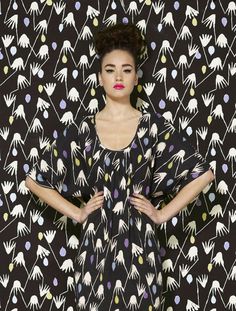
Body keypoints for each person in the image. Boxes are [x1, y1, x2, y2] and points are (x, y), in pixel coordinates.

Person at [25, 24, 214, 311]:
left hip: (143, 257)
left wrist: (161, 214)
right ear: (100, 77)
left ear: (136, 77)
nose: (118, 76)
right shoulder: (82, 131)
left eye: (126, 69)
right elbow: (34, 181)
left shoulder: (153, 128)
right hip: (94, 259)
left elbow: (203, 174)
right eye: (110, 69)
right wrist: (77, 212)